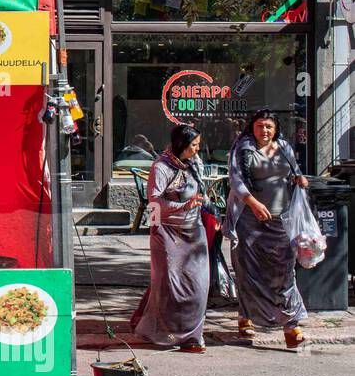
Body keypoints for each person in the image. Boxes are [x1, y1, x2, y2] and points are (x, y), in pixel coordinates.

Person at [226, 109, 310, 348]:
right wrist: (252, 203)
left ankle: (291, 325)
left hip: (280, 219)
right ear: (252, 127)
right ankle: (246, 317)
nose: (264, 131)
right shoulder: (243, 149)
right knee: (248, 271)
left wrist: (300, 179)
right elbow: (236, 179)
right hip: (249, 220)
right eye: (260, 126)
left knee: (284, 271)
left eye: (269, 127)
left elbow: (295, 172)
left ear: (276, 129)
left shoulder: (283, 147)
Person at [130, 124, 211, 353]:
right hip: (166, 233)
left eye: (198, 145)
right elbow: (154, 202)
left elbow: (201, 191)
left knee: (199, 285)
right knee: (171, 288)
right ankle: (168, 332)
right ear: (180, 145)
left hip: (194, 231)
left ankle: (194, 334)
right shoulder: (161, 166)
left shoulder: (195, 163)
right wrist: (182, 206)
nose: (197, 150)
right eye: (192, 146)